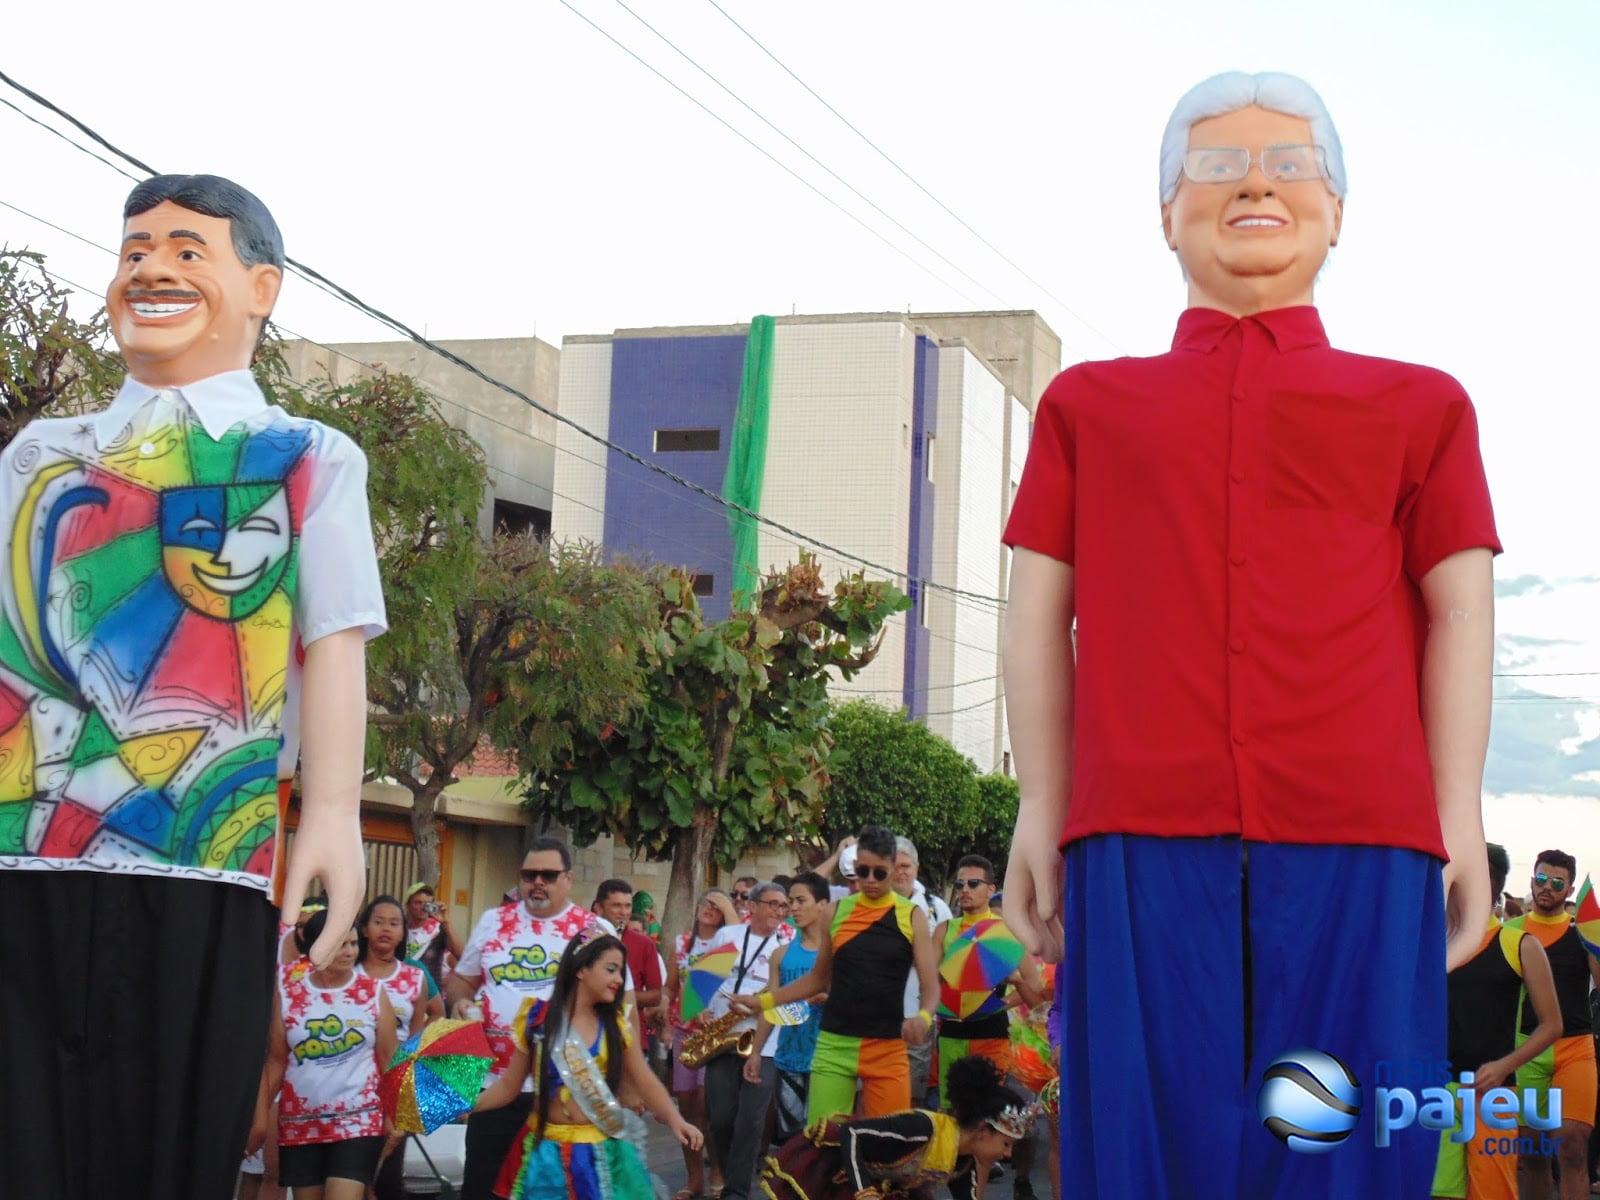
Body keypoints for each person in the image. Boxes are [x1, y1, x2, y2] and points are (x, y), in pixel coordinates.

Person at [1001, 71, 1499, 1198]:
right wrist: (1043, 799)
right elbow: (1039, 611)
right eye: (1217, 164)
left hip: (1362, 835)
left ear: (1338, 210)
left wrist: (1454, 811)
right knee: (1141, 1147)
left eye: (1291, 162)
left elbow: (1459, 610)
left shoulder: (1423, 408)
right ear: (1165, 211)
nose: (1257, 183)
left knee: (1345, 1147)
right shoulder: (1086, 407)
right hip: (1136, 832)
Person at [0, 173, 384, 1200]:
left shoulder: (306, 456)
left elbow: (335, 638)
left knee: (171, 1150)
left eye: (183, 249)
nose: (151, 270)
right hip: (23, 847)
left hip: (204, 857)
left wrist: (337, 812)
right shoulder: (42, 451)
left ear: (261, 287)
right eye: (133, 251)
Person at [447, 836, 636, 1200]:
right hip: (495, 1080)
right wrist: (459, 1000)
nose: (537, 882)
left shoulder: (594, 930)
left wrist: (626, 1080)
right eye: (529, 874)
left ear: (568, 879)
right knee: (482, 1188)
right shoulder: (492, 921)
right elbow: (461, 979)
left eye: (548, 875)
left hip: (567, 1090)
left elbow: (623, 1008)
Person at [472, 932, 702, 1200]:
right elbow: (509, 1086)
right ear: (581, 969)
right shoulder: (536, 1019)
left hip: (598, 1154)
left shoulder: (615, 1026)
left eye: (620, 972)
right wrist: (470, 1105)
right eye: (611, 969)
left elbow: (645, 1080)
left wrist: (676, 1120)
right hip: (545, 1152)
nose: (619, 980)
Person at [736, 825, 939, 1122]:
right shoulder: (835, 912)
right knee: (822, 1141)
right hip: (835, 1043)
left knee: (890, 1146)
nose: (869, 880)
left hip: (887, 1047)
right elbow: (818, 979)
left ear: (894, 869)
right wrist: (765, 1002)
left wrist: (923, 1017)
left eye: (879, 873)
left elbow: (930, 986)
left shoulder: (912, 915)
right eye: (862, 871)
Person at [1430, 843, 1562, 1200]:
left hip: (1492, 1093)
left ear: (1491, 885)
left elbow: (1553, 1024)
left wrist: (1504, 1066)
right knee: (1439, 1193)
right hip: (1437, 1088)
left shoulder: (1519, 944)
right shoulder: (1432, 945)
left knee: (1493, 1193)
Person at [256, 911, 399, 1200]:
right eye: (341, 944)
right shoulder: (288, 992)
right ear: (316, 947)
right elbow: (276, 1061)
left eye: (354, 944)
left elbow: (390, 1059)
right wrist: (256, 1117)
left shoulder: (372, 992)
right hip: (301, 1124)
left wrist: (396, 1116)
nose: (350, 952)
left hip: (358, 1121)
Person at [756, 1055, 1032, 1200]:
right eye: (1006, 1144)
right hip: (835, 1169)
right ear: (983, 1130)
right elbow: (851, 1133)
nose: (1007, 1155)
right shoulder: (922, 1128)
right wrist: (864, 1192)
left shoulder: (962, 1164)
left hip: (886, 1186)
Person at [1507, 850, 1600, 1200]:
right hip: (1525, 1049)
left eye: (1557, 883)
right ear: (1531, 880)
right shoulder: (1510, 932)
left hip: (1575, 1049)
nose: (1547, 887)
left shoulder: (1583, 935)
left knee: (1573, 1148)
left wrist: (1597, 941)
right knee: (1532, 1155)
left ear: (1569, 889)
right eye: (1541, 879)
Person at [701, 879, 792, 1200]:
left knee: (750, 1122)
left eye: (784, 906)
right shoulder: (729, 936)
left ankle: (736, 1192)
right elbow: (704, 979)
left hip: (765, 1044)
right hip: (723, 1038)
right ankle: (731, 1179)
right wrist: (699, 1009)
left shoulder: (787, 942)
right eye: (773, 904)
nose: (779, 912)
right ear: (751, 907)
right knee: (721, 1118)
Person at [358, 894, 438, 1200]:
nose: (386, 929)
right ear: (364, 928)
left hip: (396, 1086)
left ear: (404, 932)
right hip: (352, 1087)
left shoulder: (414, 978)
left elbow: (416, 1039)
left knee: (386, 1180)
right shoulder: (349, 973)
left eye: (394, 923)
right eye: (378, 922)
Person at [667, 888, 739, 1200]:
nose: (708, 908)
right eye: (704, 902)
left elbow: (745, 954)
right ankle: (694, 1176)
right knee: (689, 1111)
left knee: (714, 1111)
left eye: (716, 904)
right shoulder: (683, 943)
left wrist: (731, 910)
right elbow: (670, 987)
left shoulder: (733, 942)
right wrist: (663, 1009)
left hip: (720, 1038)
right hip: (688, 1034)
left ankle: (719, 1170)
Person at [761, 871, 829, 1144]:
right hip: (788, 1058)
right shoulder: (781, 954)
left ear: (822, 904)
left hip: (827, 1060)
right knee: (792, 1141)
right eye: (791, 901)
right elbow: (771, 1006)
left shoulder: (836, 952)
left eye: (801, 900)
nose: (794, 908)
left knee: (823, 1137)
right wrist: (756, 1053)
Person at [893, 836, 952, 1106]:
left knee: (913, 1090)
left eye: (906, 865)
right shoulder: (874, 904)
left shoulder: (936, 908)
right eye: (894, 865)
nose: (900, 871)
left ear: (916, 868)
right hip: (878, 1014)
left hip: (918, 1014)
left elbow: (949, 960)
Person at [403, 882, 462, 984]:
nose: (423, 907)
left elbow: (462, 956)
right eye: (418, 902)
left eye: (427, 904)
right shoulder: (400, 930)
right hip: (405, 989)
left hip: (431, 995)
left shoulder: (438, 930)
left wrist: (446, 922)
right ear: (407, 905)